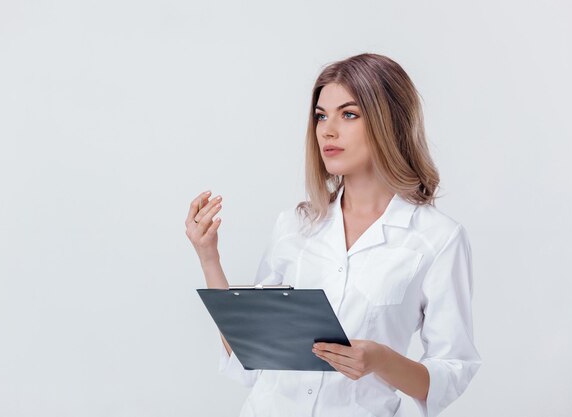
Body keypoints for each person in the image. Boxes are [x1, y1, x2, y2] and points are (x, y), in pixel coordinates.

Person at [185, 53, 481, 417]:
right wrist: (208, 257)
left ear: (390, 122)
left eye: (349, 114)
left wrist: (381, 360)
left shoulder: (438, 238)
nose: (327, 130)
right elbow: (251, 352)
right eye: (321, 115)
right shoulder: (295, 225)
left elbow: (453, 369)